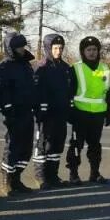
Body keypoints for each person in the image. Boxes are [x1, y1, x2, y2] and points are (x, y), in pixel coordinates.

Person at [67, 35, 110, 184]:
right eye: (88, 50)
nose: (92, 52)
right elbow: (69, 92)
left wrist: (109, 112)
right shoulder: (76, 68)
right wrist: (71, 112)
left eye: (94, 49)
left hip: (98, 114)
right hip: (80, 113)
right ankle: (73, 174)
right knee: (76, 145)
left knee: (95, 145)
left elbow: (109, 92)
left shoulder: (104, 68)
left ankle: (95, 173)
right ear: (83, 51)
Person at [0, 31, 38, 194]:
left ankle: (17, 177)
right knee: (12, 146)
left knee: (26, 147)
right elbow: (1, 90)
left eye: (22, 46)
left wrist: (35, 105)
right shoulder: (4, 67)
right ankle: (7, 180)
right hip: (13, 112)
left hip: (27, 111)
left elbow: (32, 88)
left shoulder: (26, 65)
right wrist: (7, 108)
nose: (21, 49)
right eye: (18, 46)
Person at [32, 33, 75, 189]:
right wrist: (39, 110)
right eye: (55, 48)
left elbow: (70, 91)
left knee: (57, 145)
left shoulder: (65, 68)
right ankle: (41, 176)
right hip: (46, 114)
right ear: (48, 48)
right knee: (43, 144)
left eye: (61, 48)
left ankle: (52, 175)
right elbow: (36, 91)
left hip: (61, 114)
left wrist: (70, 108)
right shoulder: (41, 67)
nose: (58, 51)